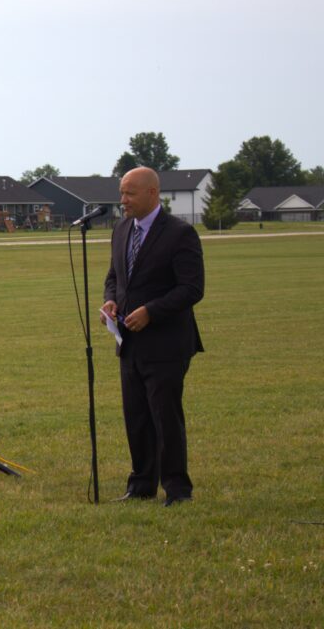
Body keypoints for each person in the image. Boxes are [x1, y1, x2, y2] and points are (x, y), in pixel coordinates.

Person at [101, 167, 205, 507]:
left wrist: (151, 311)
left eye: (129, 193)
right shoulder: (120, 229)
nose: (123, 200)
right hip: (129, 343)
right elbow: (114, 276)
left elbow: (191, 288)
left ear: (152, 193)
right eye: (121, 192)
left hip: (166, 344)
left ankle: (177, 489)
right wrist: (111, 299)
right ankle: (141, 484)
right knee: (137, 415)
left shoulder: (179, 233)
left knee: (165, 415)